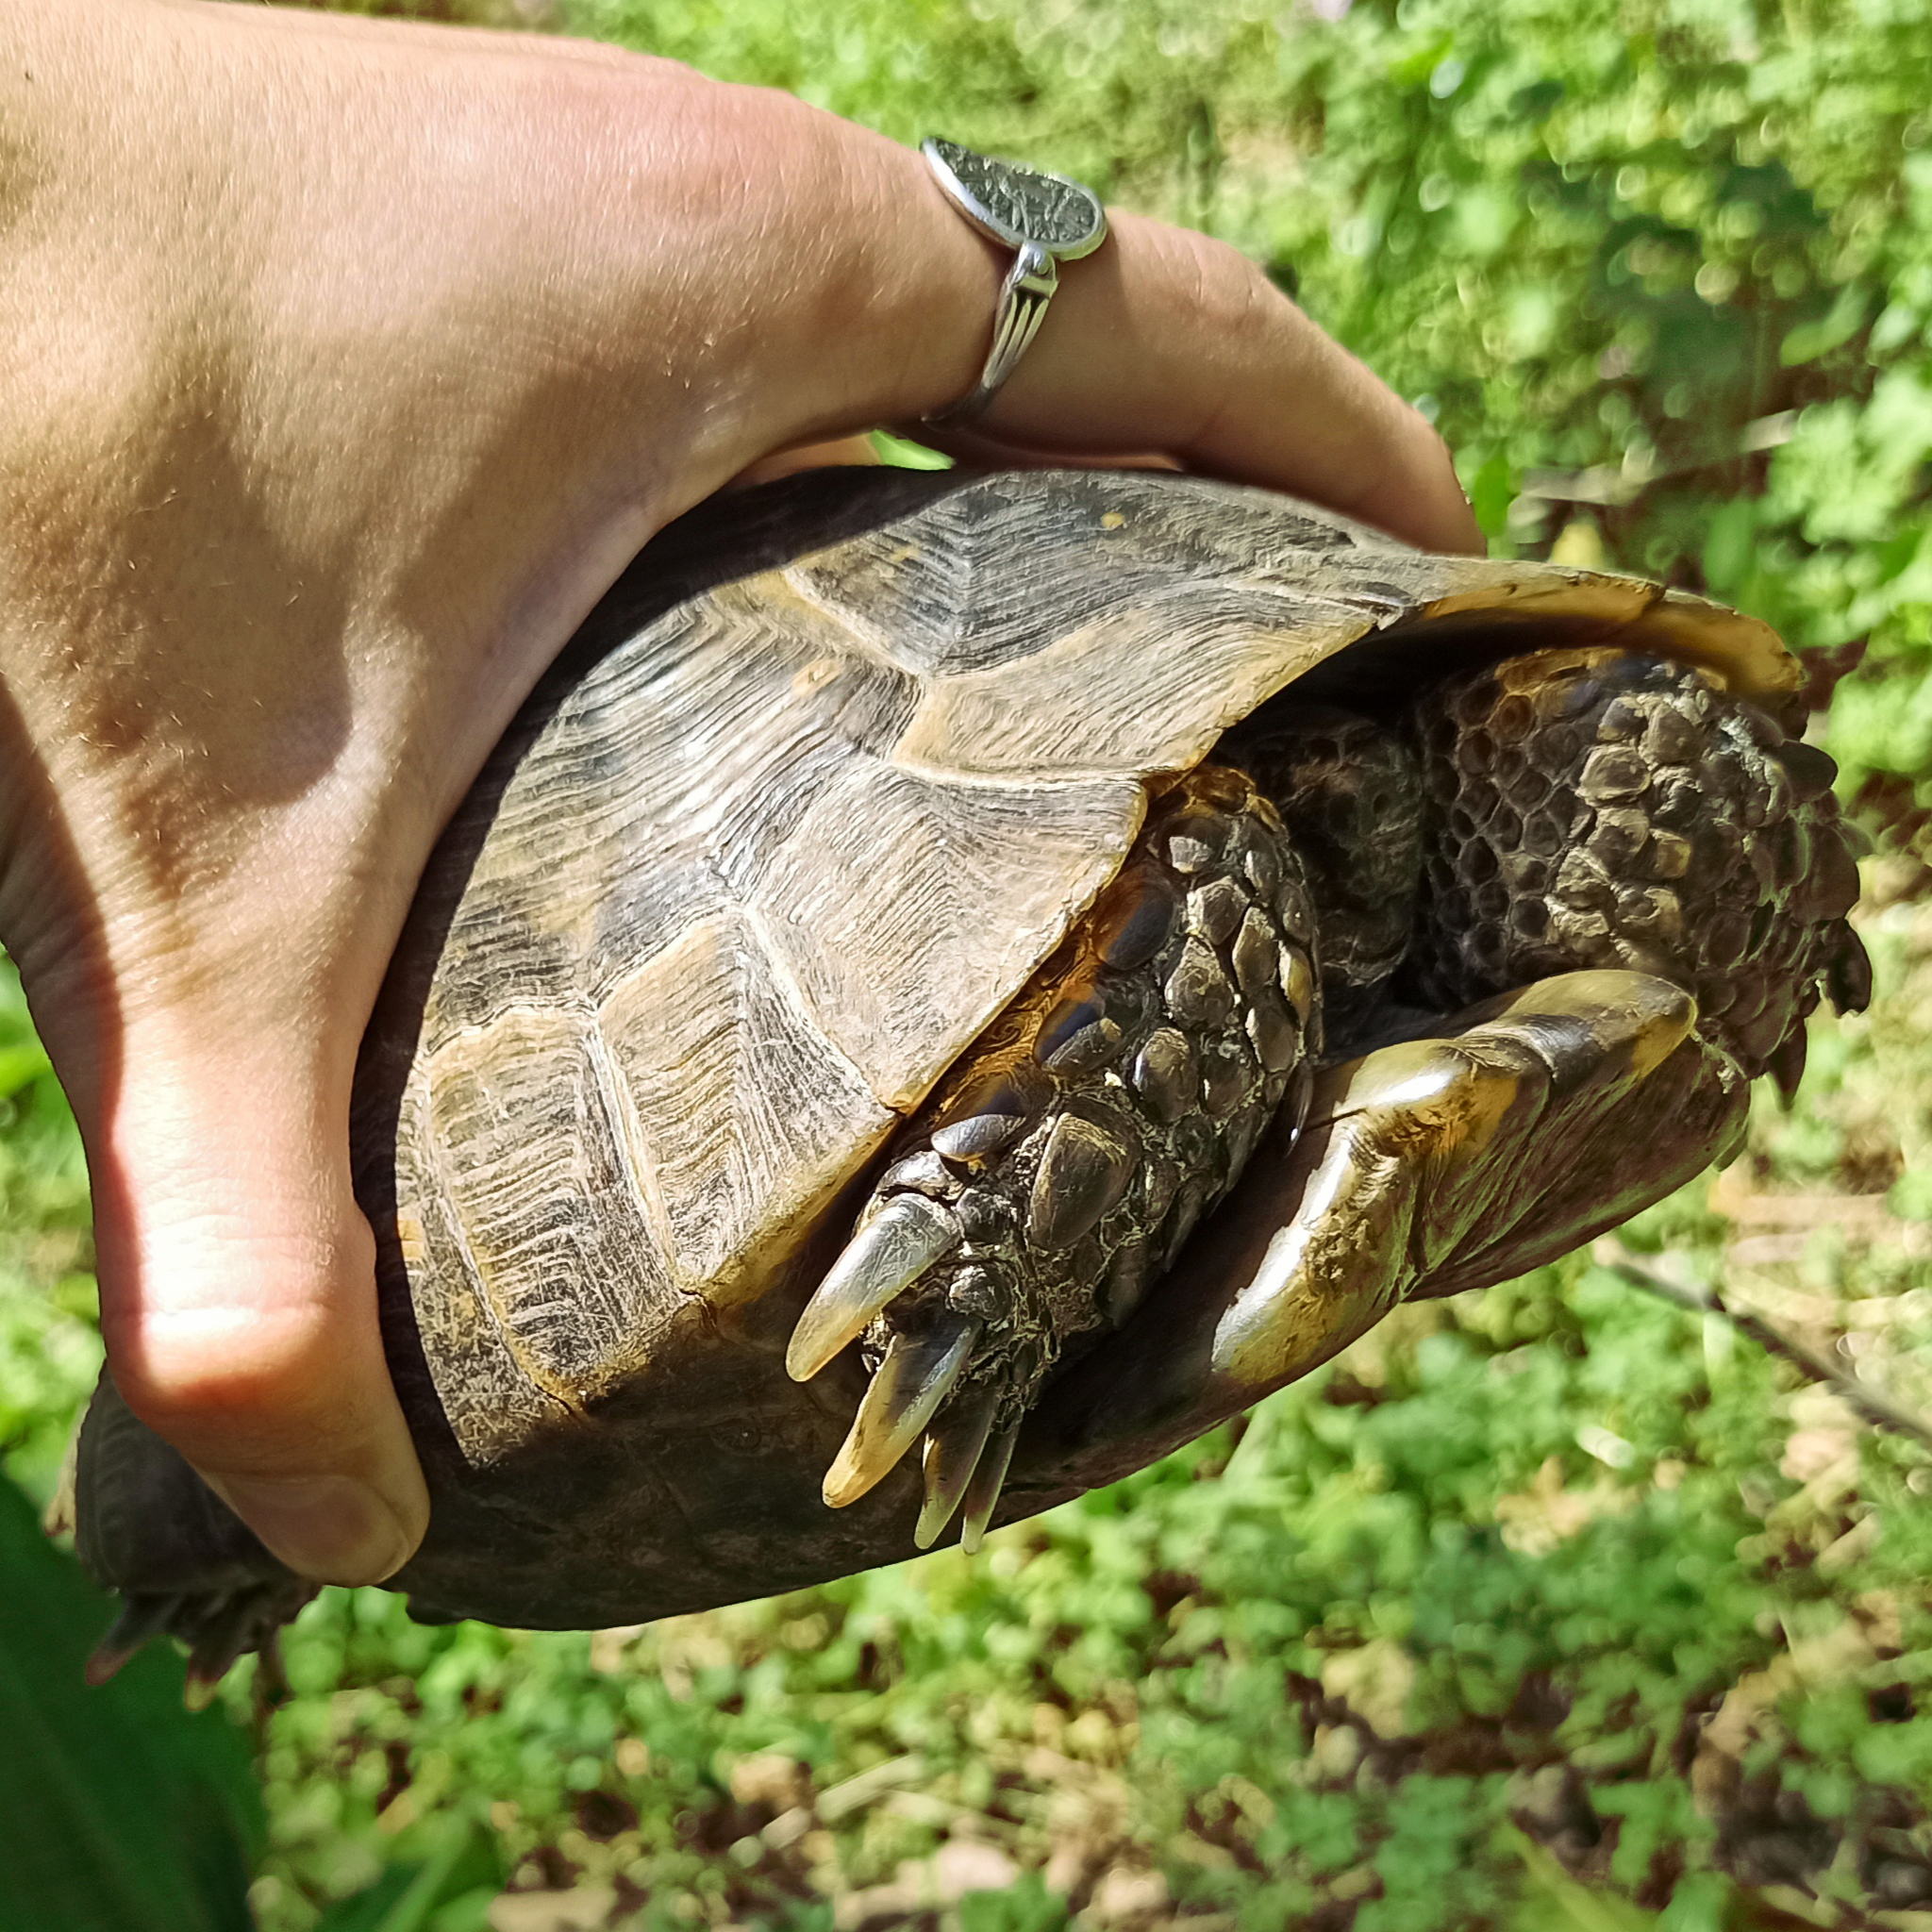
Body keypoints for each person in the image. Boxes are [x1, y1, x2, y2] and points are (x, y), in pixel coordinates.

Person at [0, 0, 1478, 1591]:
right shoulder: (1219, 874)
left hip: (1138, 593)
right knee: (1201, 882)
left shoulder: (1475, 784)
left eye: (1364, 769)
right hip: (672, 816)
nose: (1360, 807)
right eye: (1321, 775)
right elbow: (1207, 854)